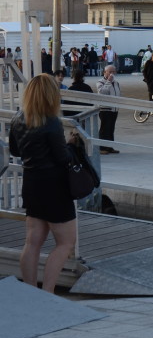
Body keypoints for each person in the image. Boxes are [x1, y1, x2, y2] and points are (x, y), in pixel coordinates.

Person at [8, 74, 81, 293]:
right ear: (51, 95)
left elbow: (14, 151)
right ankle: (48, 293)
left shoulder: (18, 118)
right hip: (55, 187)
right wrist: (70, 144)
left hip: (31, 183)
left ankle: (30, 291)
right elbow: (62, 158)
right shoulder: (52, 123)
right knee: (66, 243)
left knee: (32, 242)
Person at [95, 65, 122, 154]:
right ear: (105, 72)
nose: (112, 74)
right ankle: (102, 147)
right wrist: (108, 81)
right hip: (105, 109)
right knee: (104, 128)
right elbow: (102, 92)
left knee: (111, 128)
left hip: (114, 109)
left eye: (113, 72)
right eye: (110, 72)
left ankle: (109, 147)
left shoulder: (116, 83)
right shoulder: (100, 82)